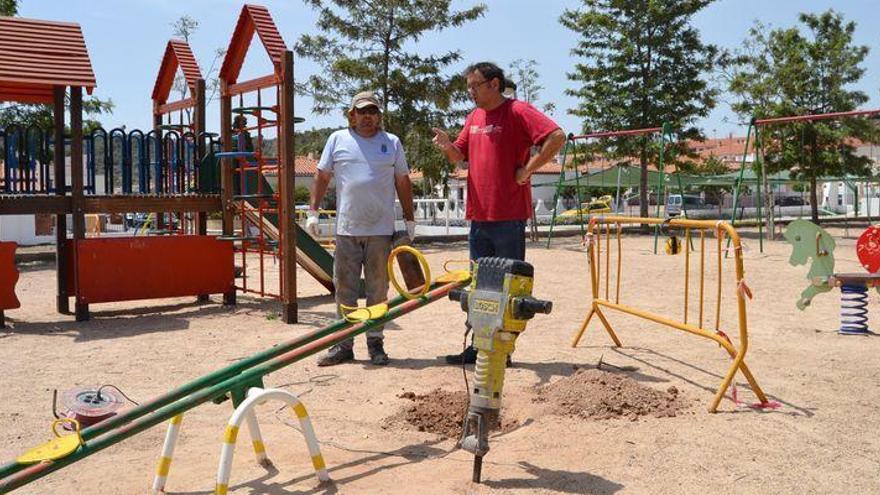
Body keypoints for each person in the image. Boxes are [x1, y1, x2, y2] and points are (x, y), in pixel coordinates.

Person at [432, 62, 566, 364]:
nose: (471, 92)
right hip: (479, 217)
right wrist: (446, 146)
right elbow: (459, 156)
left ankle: (501, 350)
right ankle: (477, 346)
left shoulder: (518, 111)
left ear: (494, 84)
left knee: (507, 285)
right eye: (468, 87)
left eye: (475, 86)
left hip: (508, 217)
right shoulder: (475, 117)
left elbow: (557, 137)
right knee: (479, 286)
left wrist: (528, 170)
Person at [307, 90, 416, 366]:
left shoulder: (391, 142)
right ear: (352, 115)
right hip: (347, 230)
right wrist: (312, 212)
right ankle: (343, 345)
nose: (368, 117)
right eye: (362, 111)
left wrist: (409, 219)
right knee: (345, 288)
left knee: (378, 290)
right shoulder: (337, 139)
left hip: (381, 230)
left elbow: (403, 181)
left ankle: (375, 343)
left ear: (379, 116)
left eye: (373, 111)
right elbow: (322, 176)